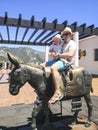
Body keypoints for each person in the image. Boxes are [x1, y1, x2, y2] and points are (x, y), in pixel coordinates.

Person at [48, 27, 77, 104]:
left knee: (53, 68)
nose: (65, 36)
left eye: (67, 34)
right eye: (64, 34)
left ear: (71, 35)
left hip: (67, 63)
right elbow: (55, 47)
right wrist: (53, 53)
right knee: (44, 65)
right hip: (61, 61)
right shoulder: (63, 44)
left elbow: (70, 54)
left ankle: (57, 92)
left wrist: (59, 55)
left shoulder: (72, 44)